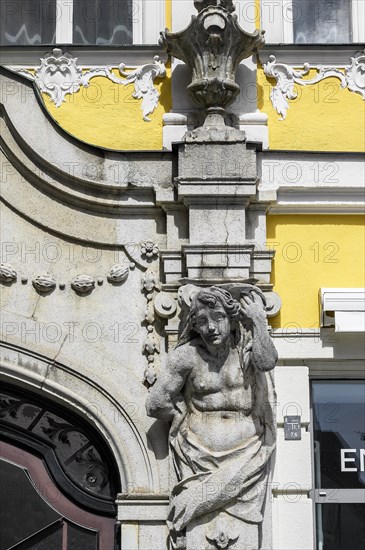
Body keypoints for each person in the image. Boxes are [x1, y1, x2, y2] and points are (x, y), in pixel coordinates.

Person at [146, 285, 277, 549]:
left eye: (218, 318)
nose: (211, 327)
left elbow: (267, 362)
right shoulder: (187, 356)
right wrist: (183, 417)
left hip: (247, 457)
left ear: (231, 320)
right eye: (202, 321)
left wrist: (259, 320)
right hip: (198, 459)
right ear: (194, 324)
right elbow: (156, 403)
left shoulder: (247, 350)